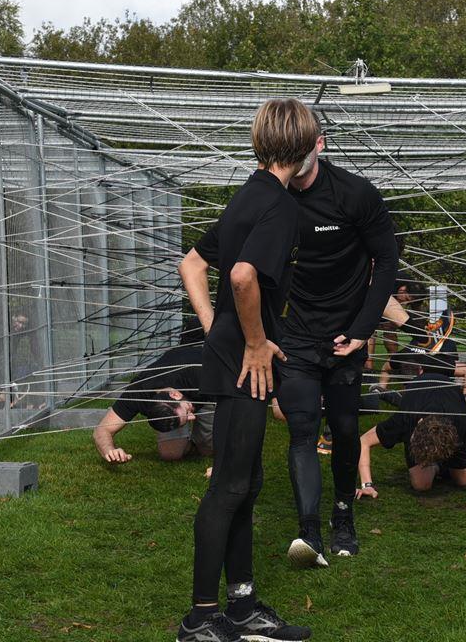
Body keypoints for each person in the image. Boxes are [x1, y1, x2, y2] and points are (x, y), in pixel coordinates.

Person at [173, 98, 313, 642]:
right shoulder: (278, 205)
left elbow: (192, 264)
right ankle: (200, 620)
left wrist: (216, 329)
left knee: (246, 483)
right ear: (304, 148)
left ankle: (242, 607)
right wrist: (252, 342)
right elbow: (241, 276)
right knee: (230, 487)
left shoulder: (249, 195)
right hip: (245, 365)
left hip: (235, 357)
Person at [254, 104, 398, 566]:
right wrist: (263, 333)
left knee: (345, 427)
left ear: (319, 144)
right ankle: (309, 533)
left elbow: (387, 261)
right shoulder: (268, 195)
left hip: (344, 336)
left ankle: (343, 516)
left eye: (303, 147)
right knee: (301, 429)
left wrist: (362, 330)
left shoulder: (354, 194)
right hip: (294, 334)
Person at [356, 352, 466, 509]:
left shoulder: (460, 421)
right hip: (419, 412)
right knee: (421, 485)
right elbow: (364, 441)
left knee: (462, 479)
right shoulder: (405, 419)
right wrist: (366, 485)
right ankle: (438, 467)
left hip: (449, 413)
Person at [93, 345, 214, 463]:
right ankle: (193, 444)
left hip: (210, 391)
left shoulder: (200, 373)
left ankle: (203, 443)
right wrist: (110, 451)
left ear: (175, 395)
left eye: (187, 412)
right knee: (170, 453)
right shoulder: (139, 392)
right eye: (187, 415)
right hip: (190, 390)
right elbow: (102, 430)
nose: (193, 417)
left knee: (209, 449)